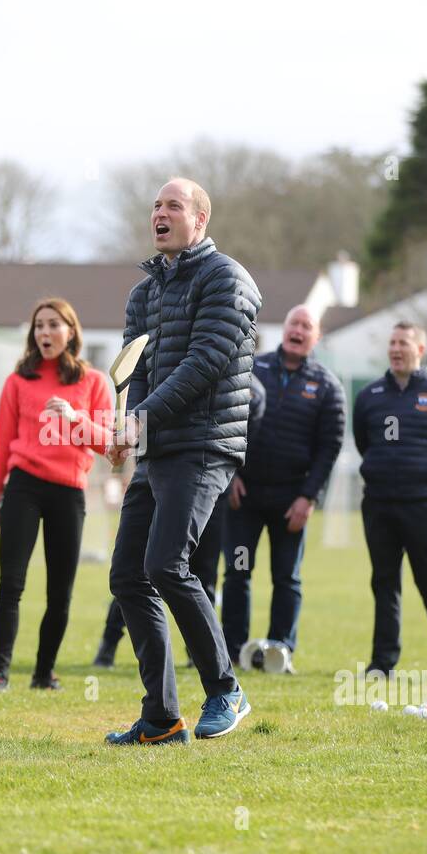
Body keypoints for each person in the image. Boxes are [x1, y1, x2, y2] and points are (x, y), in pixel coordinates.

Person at [105, 178, 260, 745]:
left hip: (203, 443)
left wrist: (139, 419)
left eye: (173, 205)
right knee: (128, 575)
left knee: (168, 565)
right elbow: (137, 368)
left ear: (200, 219)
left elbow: (203, 365)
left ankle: (225, 690)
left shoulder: (227, 279)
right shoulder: (143, 293)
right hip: (157, 447)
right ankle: (162, 720)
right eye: (155, 205)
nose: (160, 213)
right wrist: (128, 427)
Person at [0, 298, 112, 692]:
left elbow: (109, 446)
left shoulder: (93, 382)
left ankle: (43, 673)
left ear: (70, 332)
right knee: (11, 585)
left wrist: (75, 418)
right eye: (39, 326)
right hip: (23, 487)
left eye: (53, 325)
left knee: (60, 591)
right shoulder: (18, 381)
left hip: (69, 491)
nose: (44, 333)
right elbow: (1, 444)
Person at [93, 375, 265, 668]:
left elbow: (245, 440)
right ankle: (108, 646)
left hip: (210, 487)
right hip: (158, 474)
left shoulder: (252, 392)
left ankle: (198, 657)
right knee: (137, 571)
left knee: (199, 573)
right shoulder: (165, 369)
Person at [221, 306, 343, 669]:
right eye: (294, 323)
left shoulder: (326, 386)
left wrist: (309, 498)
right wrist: (231, 475)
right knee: (238, 572)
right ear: (283, 329)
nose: (299, 331)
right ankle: (230, 651)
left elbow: (329, 449)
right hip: (245, 497)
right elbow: (227, 422)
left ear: (316, 338)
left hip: (291, 502)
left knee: (286, 577)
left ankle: (279, 651)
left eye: (307, 327)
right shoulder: (252, 369)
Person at [353, 321, 427, 682]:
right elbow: (364, 442)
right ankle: (383, 663)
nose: (395, 349)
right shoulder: (370, 395)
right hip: (379, 504)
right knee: (384, 582)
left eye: (403, 343)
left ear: (419, 350)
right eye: (392, 342)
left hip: (424, 504)